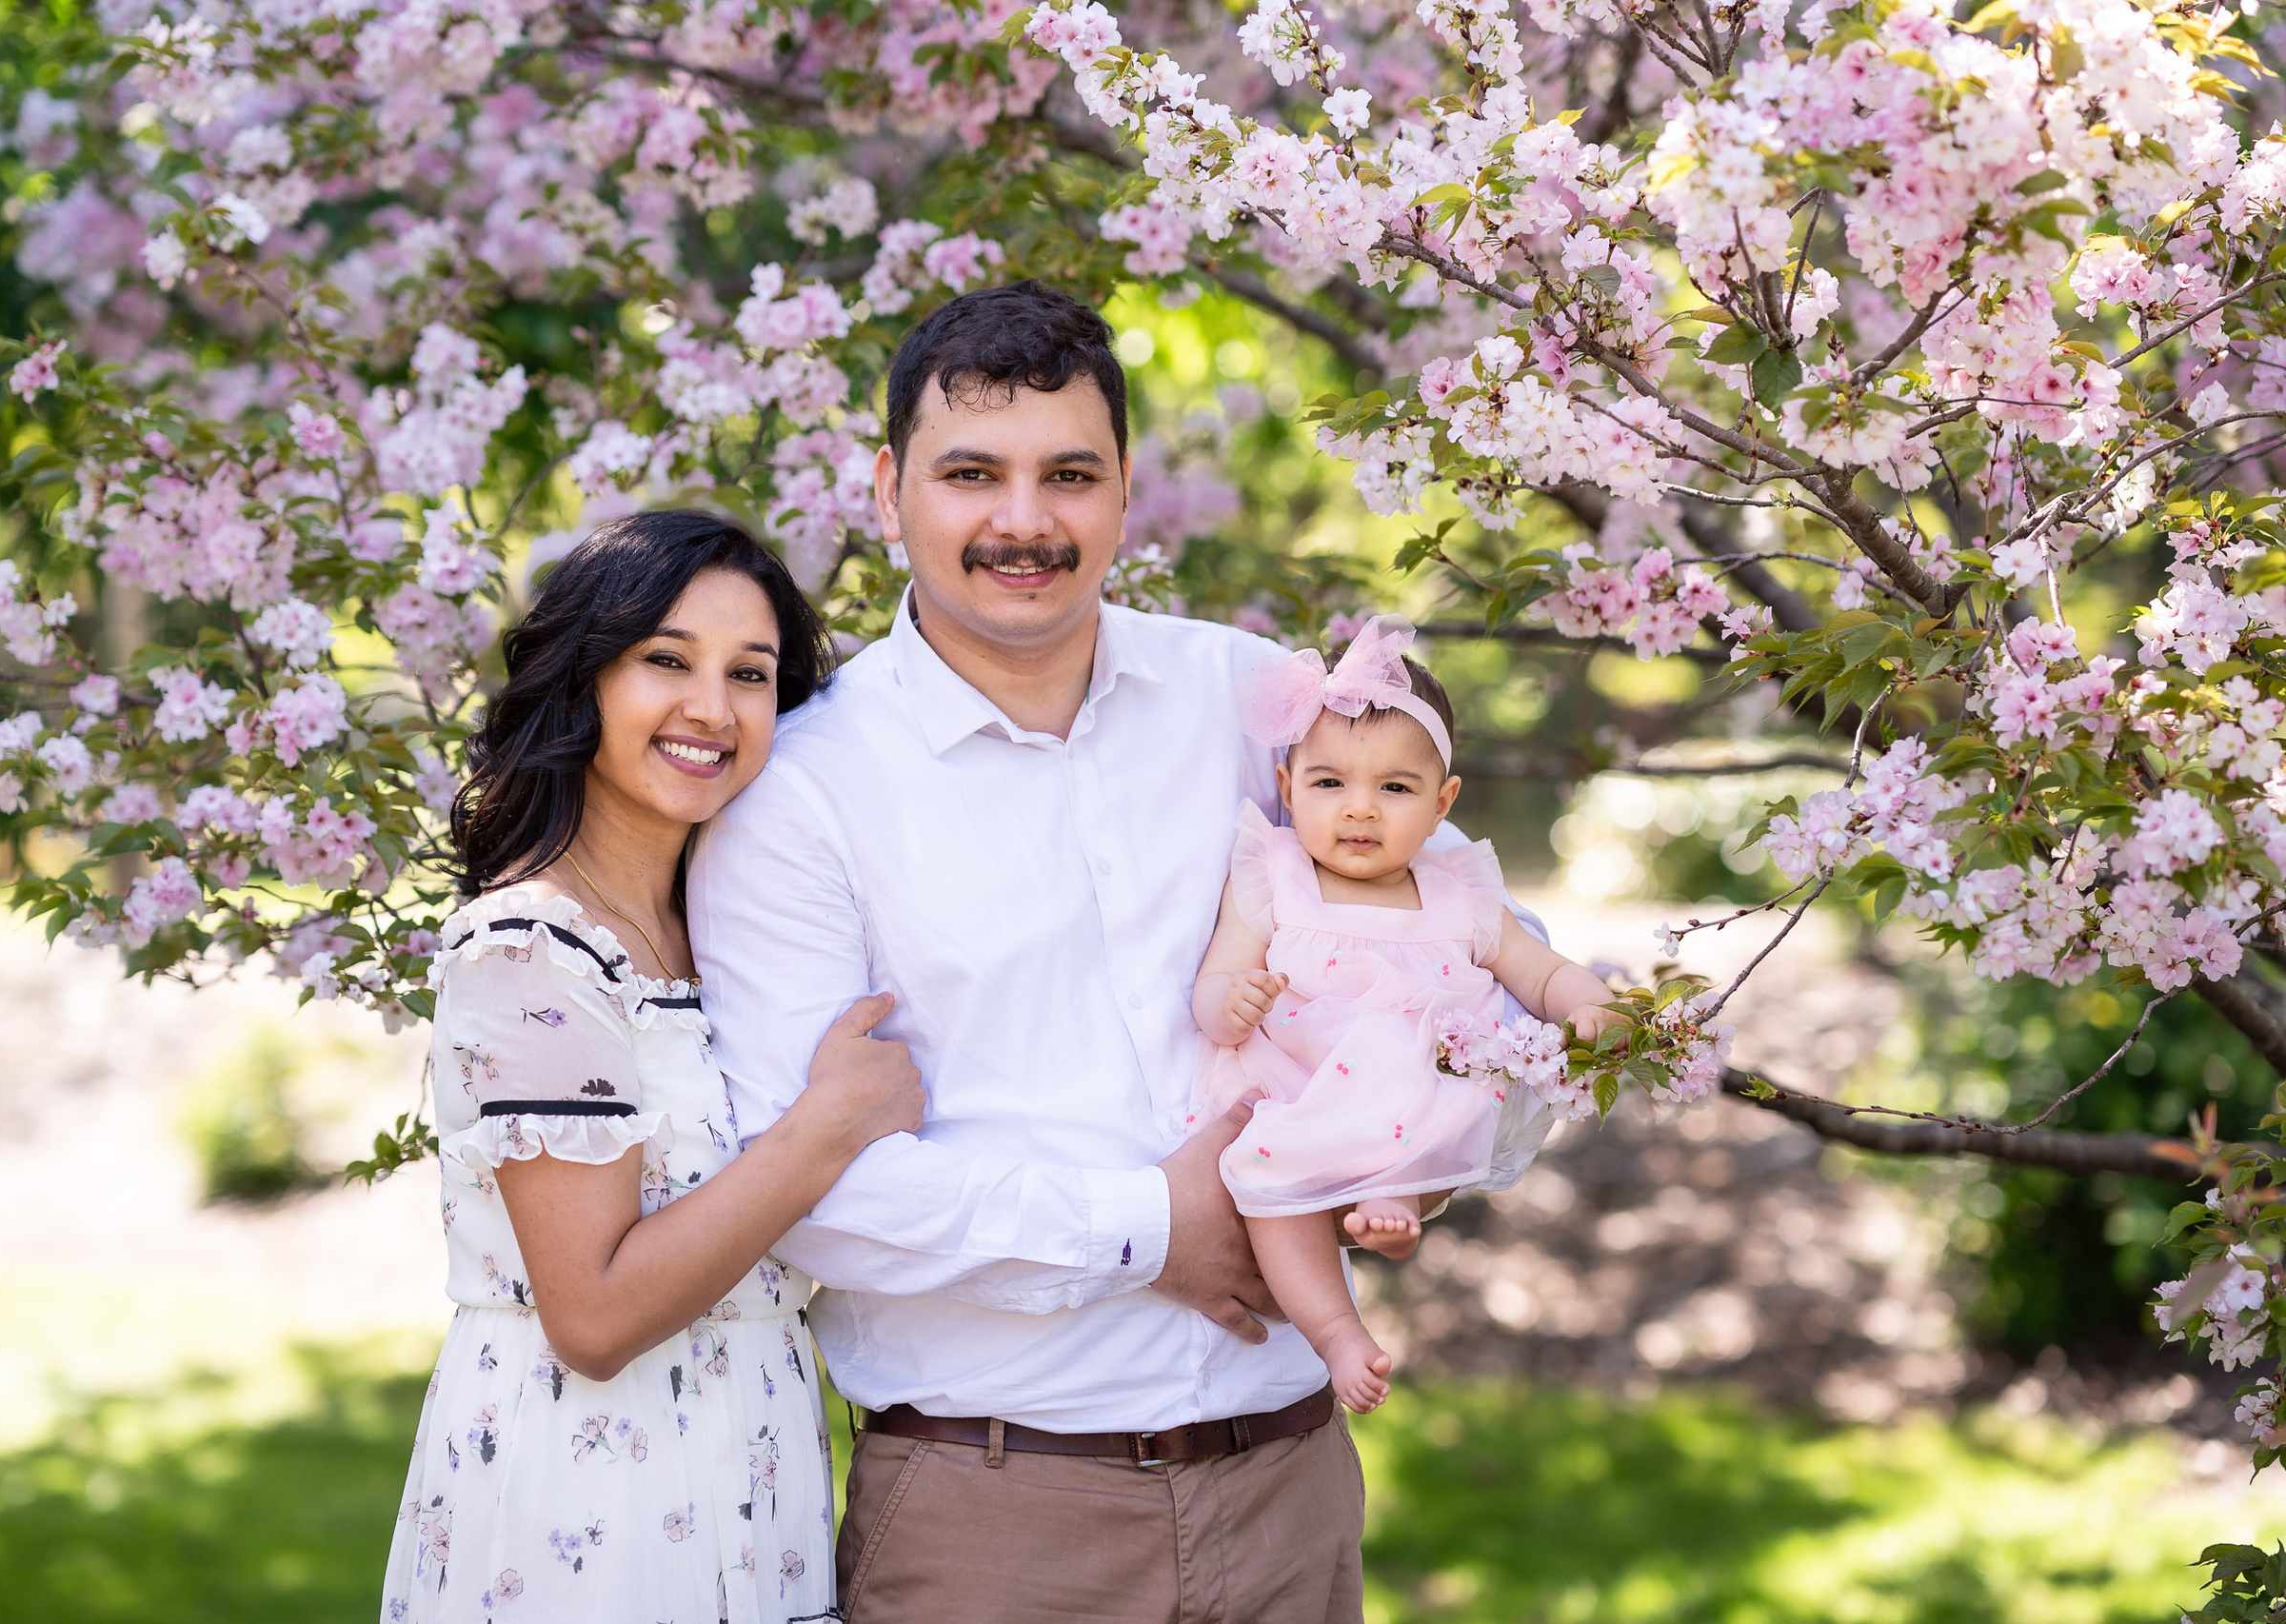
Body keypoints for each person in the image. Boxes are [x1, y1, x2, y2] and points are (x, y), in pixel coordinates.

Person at [687, 281, 1547, 1622]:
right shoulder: (797, 793)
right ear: (886, 485)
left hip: (1290, 1482)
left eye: (1069, 474)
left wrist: (1431, 1143)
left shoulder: (1254, 698)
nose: (1024, 521)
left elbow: (1487, 956)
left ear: (1126, 491)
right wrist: (1158, 1226)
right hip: (997, 1516)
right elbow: (806, 1188)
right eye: (972, 472)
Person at [381, 511, 924, 1624]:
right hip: (591, 1507)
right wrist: (825, 1130)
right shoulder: (531, 946)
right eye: (666, 661)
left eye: (751, 674)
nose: (711, 708)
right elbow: (592, 1311)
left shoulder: (724, 935)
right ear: (587, 680)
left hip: (751, 1470)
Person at [1190, 616, 1620, 1415]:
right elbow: (1215, 984)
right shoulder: (1273, 877)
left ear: (1441, 802)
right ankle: (1336, 1332)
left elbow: (1542, 970)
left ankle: (1400, 1197)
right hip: (1298, 1097)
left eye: (1394, 788)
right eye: (1329, 784)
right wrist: (1230, 1003)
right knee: (1272, 1195)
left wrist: (1591, 1005)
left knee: (1446, 1106)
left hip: (1408, 1112)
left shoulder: (1461, 897)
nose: (1360, 810)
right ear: (1287, 790)